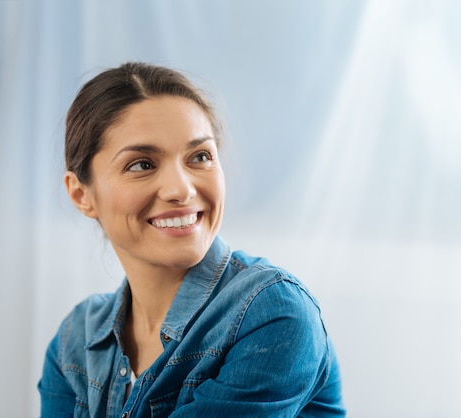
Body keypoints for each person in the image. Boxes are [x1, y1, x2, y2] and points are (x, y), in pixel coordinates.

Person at [38, 62, 345, 417]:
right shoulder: (74, 341)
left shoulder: (272, 313)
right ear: (81, 195)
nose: (182, 189)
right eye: (142, 164)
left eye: (200, 157)